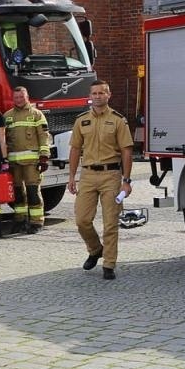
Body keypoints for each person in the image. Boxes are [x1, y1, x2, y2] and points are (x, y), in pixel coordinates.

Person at [67, 80, 134, 281]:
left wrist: (126, 180)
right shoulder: (81, 120)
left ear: (108, 95)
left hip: (110, 175)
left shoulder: (118, 120)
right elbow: (75, 149)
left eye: (101, 93)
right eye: (94, 93)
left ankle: (109, 264)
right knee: (82, 220)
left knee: (110, 222)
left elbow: (127, 151)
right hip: (87, 175)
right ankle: (96, 249)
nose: (97, 96)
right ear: (90, 96)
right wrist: (71, 177)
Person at [1, 86, 52, 233]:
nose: (19, 100)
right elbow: (3, 139)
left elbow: (43, 136)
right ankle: (20, 220)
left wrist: (44, 156)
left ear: (27, 97)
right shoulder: (7, 116)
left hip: (32, 162)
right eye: (16, 97)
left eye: (21, 97)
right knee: (17, 193)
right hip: (13, 162)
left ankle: (36, 222)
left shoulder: (37, 114)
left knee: (32, 192)